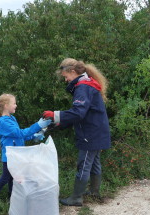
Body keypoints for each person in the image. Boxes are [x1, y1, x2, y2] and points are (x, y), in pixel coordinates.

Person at [43, 58, 111, 206]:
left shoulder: (82, 87)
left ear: (72, 72)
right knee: (94, 162)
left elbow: (78, 113)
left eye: (66, 77)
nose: (66, 80)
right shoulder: (88, 84)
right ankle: (94, 191)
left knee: (84, 163)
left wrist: (54, 115)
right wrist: (60, 122)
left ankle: (76, 198)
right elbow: (81, 113)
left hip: (90, 134)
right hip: (97, 130)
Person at [0, 93, 51, 197]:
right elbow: (20, 133)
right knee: (6, 177)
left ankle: (11, 195)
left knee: (13, 176)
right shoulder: (3, 122)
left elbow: (19, 136)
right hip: (9, 155)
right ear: (6, 105)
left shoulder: (12, 118)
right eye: (14, 103)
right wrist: (38, 125)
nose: (16, 105)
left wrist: (34, 136)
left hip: (16, 153)